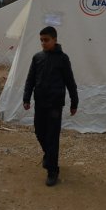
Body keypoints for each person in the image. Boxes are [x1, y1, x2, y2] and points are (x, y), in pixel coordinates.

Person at [23, 26, 79, 187]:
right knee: (39, 131)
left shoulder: (63, 59)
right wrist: (26, 98)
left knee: (52, 137)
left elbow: (70, 81)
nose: (43, 43)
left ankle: (52, 171)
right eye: (41, 40)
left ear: (55, 39)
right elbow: (30, 80)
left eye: (46, 40)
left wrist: (74, 102)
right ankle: (48, 156)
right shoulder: (37, 57)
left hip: (55, 104)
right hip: (40, 103)